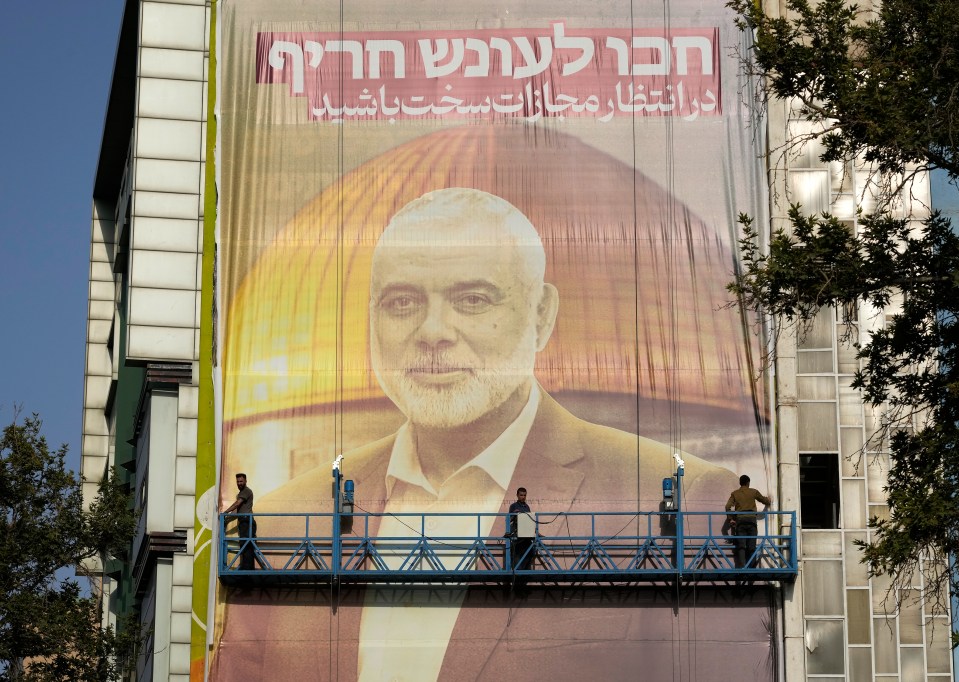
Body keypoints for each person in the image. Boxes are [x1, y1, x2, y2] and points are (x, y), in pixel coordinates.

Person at [216, 188, 739, 681]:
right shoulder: (280, 524)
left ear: (541, 316)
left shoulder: (675, 495)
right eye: (402, 302)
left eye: (472, 299)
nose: (433, 332)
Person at [725, 474, 772, 569]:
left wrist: (731, 519)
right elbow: (765, 501)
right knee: (752, 545)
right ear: (748, 483)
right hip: (751, 520)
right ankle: (752, 567)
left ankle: (742, 566)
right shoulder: (753, 492)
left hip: (740, 521)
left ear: (740, 483)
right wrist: (768, 500)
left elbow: (727, 506)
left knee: (741, 546)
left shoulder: (735, 493)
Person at [222, 473, 256, 570]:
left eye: (241, 481)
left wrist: (225, 512)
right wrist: (227, 518)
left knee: (246, 544)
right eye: (238, 481)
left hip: (247, 521)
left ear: (246, 481)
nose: (239, 483)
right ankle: (245, 566)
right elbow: (237, 510)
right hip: (244, 521)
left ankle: (247, 568)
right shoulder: (241, 494)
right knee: (244, 544)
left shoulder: (246, 491)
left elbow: (237, 504)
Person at [507, 487, 533, 570]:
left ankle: (526, 574)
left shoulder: (527, 507)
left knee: (528, 555)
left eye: (525, 495)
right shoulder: (513, 506)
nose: (523, 497)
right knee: (517, 558)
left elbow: (530, 520)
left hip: (526, 536)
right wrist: (515, 514)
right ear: (517, 495)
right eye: (521, 495)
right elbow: (509, 519)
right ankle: (517, 575)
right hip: (517, 537)